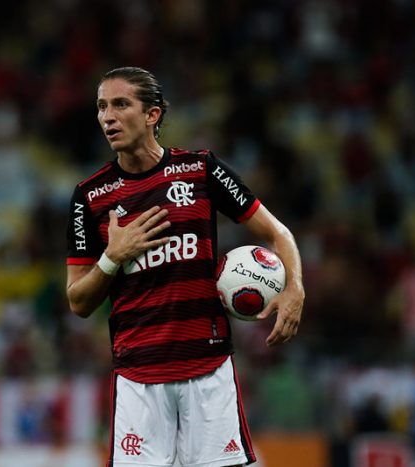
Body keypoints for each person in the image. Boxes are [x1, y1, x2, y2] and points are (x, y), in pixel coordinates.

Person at [65, 66, 305, 467]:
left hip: (208, 370)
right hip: (138, 377)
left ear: (152, 114)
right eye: (101, 107)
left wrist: (294, 286)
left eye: (121, 104)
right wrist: (113, 257)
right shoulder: (90, 197)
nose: (108, 116)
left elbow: (278, 234)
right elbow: (78, 300)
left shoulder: (200, 170)